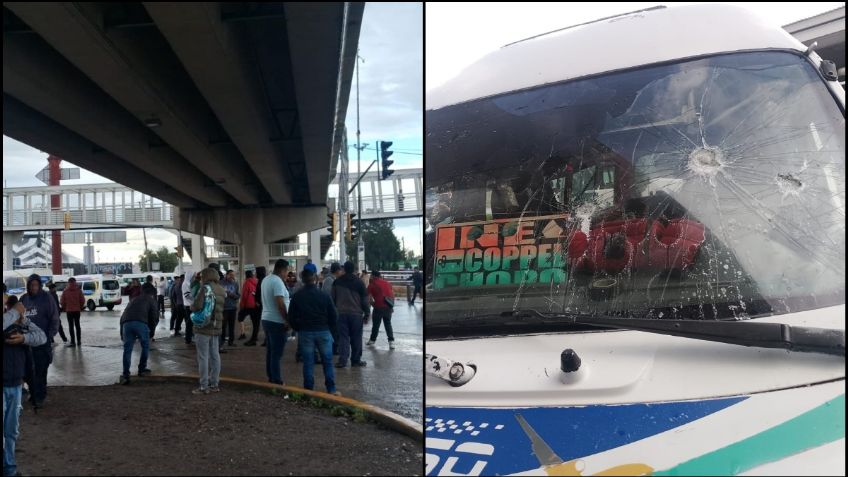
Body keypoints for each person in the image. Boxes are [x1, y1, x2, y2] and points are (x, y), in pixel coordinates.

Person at [4, 299, 47, 477]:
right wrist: (15, 312)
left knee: (12, 431)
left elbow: (42, 337)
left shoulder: (18, 323)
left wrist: (24, 337)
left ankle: (10, 469)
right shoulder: (11, 317)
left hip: (15, 385)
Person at [288, 269, 339, 395]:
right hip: (323, 331)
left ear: (302, 280)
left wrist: (298, 328)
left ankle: (308, 389)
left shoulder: (297, 296)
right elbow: (334, 315)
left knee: (308, 361)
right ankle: (331, 389)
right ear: (315, 278)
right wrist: (329, 327)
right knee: (327, 361)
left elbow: (291, 317)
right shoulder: (324, 295)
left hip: (305, 332)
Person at [20, 274, 59, 410]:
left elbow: (55, 317)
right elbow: (18, 316)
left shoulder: (47, 298)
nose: (34, 287)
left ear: (40, 286)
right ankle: (33, 393)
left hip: (42, 342)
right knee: (28, 370)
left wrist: (50, 335)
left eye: (36, 285)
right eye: (31, 285)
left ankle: (40, 396)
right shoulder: (24, 299)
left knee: (41, 369)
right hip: (27, 342)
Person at [190, 268, 225, 395]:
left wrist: (191, 307)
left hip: (203, 327)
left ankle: (204, 386)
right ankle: (214, 384)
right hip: (216, 327)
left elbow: (197, 306)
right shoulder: (221, 289)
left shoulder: (205, 288)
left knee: (203, 357)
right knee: (215, 355)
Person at [331, 262, 370, 368]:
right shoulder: (359, 282)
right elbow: (365, 300)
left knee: (343, 338)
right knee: (356, 337)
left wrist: (337, 309)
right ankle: (355, 360)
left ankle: (342, 361)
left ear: (344, 269)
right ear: (353, 269)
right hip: (356, 315)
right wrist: (367, 313)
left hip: (341, 314)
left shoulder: (337, 282)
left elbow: (332, 299)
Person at [118, 286, 157, 385]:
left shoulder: (134, 299)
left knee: (127, 349)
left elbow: (123, 316)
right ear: (152, 294)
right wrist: (151, 332)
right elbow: (153, 318)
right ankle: (142, 369)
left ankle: (126, 375)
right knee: (145, 346)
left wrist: (121, 332)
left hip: (126, 324)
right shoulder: (151, 300)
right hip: (140, 323)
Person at [261, 259, 291, 384]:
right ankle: (276, 379)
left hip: (266, 318)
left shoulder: (266, 279)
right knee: (277, 353)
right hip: (276, 321)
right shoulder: (277, 282)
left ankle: (271, 376)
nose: (287, 274)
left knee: (271, 351)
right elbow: (280, 303)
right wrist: (287, 320)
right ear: (283, 270)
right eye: (287, 271)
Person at [367, 270, 396, 350]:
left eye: (371, 275)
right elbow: (391, 295)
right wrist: (391, 307)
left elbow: (368, 299)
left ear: (373, 276)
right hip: (388, 307)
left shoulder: (371, 285)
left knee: (376, 325)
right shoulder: (387, 283)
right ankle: (391, 342)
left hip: (378, 307)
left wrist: (373, 305)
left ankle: (372, 340)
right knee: (388, 324)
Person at [60, 277, 85, 348]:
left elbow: (62, 301)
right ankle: (79, 341)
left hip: (69, 311)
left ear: (68, 282)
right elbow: (82, 300)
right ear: (75, 282)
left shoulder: (65, 291)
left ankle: (73, 342)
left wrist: (65, 308)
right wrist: (80, 307)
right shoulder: (79, 290)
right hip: (77, 311)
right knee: (78, 326)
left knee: (71, 327)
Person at [219, 269, 240, 353]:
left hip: (233, 307)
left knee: (232, 325)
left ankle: (231, 341)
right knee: (223, 326)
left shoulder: (235, 284)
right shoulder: (221, 283)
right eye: (230, 275)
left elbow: (238, 295)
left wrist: (233, 295)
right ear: (226, 275)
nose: (232, 276)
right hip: (224, 308)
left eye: (233, 275)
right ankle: (222, 342)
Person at [239, 270, 258, 344]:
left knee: (240, 318)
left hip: (247, 305)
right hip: (255, 305)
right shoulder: (256, 281)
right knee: (255, 322)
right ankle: (255, 336)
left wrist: (241, 306)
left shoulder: (246, 282)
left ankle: (243, 333)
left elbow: (244, 295)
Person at [251, 267, 267, 347]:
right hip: (263, 304)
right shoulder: (265, 280)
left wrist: (258, 301)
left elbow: (260, 292)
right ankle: (264, 339)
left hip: (260, 304)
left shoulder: (261, 281)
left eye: (256, 272)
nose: (255, 274)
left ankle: (254, 339)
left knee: (257, 322)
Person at [182, 271, 199, 345]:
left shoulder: (189, 283)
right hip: (189, 306)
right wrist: (196, 299)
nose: (194, 278)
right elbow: (187, 295)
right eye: (193, 276)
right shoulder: (186, 284)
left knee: (191, 323)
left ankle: (189, 338)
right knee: (189, 323)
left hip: (191, 305)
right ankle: (188, 339)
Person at [142, 275, 158, 341]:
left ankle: (144, 334)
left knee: (145, 321)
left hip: (143, 307)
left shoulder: (142, 287)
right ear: (151, 280)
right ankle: (150, 336)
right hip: (151, 307)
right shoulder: (153, 288)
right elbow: (154, 299)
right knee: (153, 321)